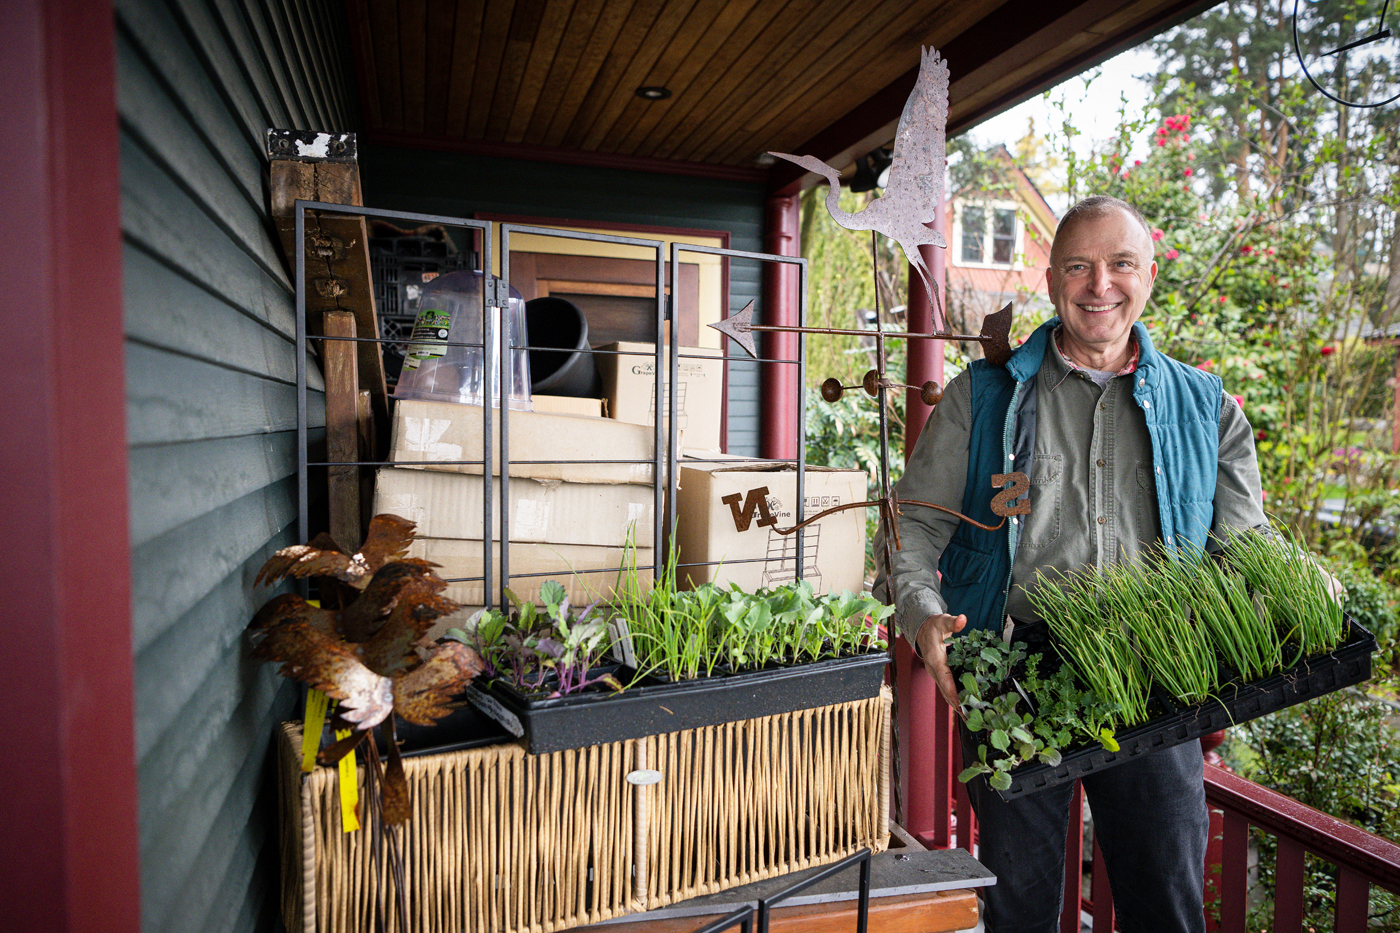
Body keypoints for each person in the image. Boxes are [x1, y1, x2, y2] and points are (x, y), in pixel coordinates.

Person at [882, 195, 1269, 932]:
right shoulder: (983, 397)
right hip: (1014, 670)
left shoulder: (1207, 408)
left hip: (1158, 672)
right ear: (1053, 277)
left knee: (1165, 900)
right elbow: (913, 527)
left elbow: (1248, 547)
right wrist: (924, 615)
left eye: (1121, 264)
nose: (1101, 285)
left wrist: (1293, 592)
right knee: (1019, 904)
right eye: (1080, 266)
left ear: (1149, 275)